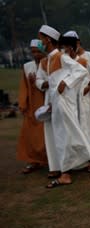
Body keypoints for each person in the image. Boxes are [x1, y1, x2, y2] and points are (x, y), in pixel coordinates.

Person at [35, 25, 90, 187]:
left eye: (41, 39)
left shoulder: (60, 57)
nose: (40, 42)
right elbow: (51, 85)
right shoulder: (49, 59)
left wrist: (66, 82)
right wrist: (50, 102)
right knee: (63, 138)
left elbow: (80, 71)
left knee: (74, 133)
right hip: (56, 103)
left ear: (48, 39)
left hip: (65, 102)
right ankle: (66, 173)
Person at [16, 39, 47, 174]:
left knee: (47, 135)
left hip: (47, 104)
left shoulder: (48, 64)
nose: (35, 54)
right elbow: (24, 87)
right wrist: (23, 103)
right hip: (32, 106)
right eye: (33, 51)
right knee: (31, 135)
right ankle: (33, 161)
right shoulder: (27, 66)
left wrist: (38, 82)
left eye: (38, 51)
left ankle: (51, 161)